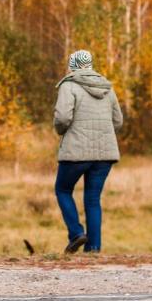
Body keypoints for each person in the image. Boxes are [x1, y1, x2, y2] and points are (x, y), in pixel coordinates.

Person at [53, 49, 123, 253]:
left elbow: (63, 118)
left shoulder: (69, 85)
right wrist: (102, 133)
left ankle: (76, 233)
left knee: (63, 190)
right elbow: (118, 121)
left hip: (76, 152)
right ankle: (93, 248)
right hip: (105, 154)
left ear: (72, 65)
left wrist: (60, 131)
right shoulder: (107, 87)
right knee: (93, 199)